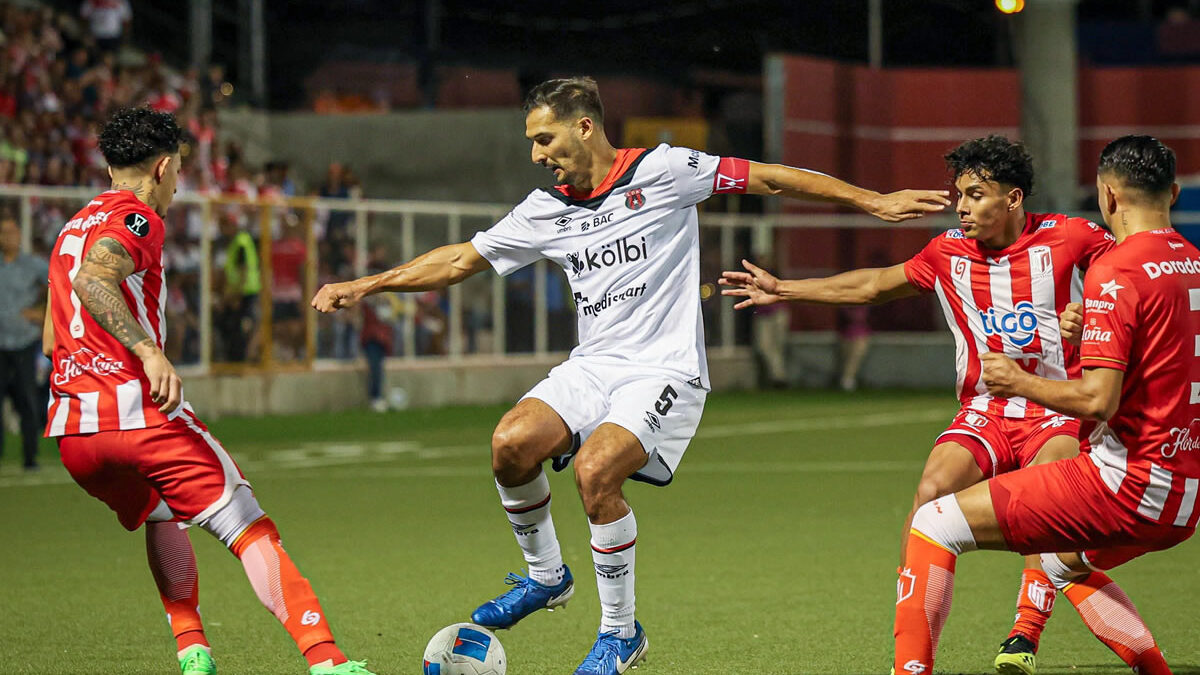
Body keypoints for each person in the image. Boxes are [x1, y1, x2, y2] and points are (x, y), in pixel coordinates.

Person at [311, 76, 949, 675]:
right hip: (593, 366)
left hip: (665, 369)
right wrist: (365, 284)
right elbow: (458, 260)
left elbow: (770, 178)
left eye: (544, 139)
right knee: (509, 444)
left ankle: (620, 634)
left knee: (596, 470)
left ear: (584, 127)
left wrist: (873, 199)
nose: (536, 155)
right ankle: (546, 578)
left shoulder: (664, 170)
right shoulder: (545, 208)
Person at [720, 135, 1118, 673]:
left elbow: (1131, 279)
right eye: (959, 194)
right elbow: (874, 287)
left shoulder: (1072, 237)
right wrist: (785, 290)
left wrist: (1090, 312)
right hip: (986, 412)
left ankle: (1024, 632)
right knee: (928, 497)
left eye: (976, 195)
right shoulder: (946, 252)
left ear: (1014, 198)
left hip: (1057, 409)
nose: (961, 206)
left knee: (1044, 512)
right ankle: (911, 660)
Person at [45, 107, 373, 675]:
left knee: (160, 514)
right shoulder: (138, 218)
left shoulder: (71, 228)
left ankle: (193, 651)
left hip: (75, 434)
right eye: (178, 174)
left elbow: (54, 336)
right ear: (165, 167)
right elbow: (94, 279)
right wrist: (147, 351)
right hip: (140, 416)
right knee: (248, 526)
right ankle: (329, 662)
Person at [894, 135, 1194, 674]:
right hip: (1186, 497)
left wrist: (1016, 380)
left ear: (1106, 196)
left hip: (1127, 484)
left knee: (932, 521)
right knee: (1060, 562)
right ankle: (1072, 649)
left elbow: (1098, 400)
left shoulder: (1114, 268)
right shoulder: (1192, 265)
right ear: (1173, 191)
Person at [0, 216, 48, 470]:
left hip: (24, 343)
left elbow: (58, 283)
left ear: (19, 235)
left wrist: (42, 312)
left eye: (11, 232)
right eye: (3, 232)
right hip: (0, 343)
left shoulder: (33, 265)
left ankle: (31, 458)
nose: (8, 237)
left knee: (27, 400)